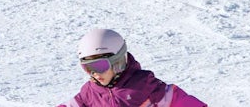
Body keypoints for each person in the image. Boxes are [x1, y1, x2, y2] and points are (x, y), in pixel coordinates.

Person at [57, 28, 207, 107]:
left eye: (99, 65)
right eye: (88, 68)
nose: (95, 73)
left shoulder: (144, 85)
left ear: (118, 62)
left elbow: (177, 100)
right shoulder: (90, 91)